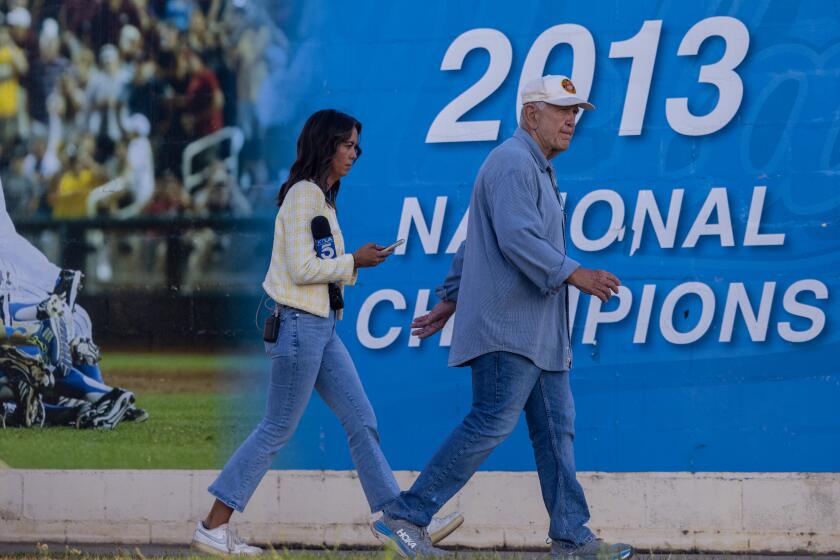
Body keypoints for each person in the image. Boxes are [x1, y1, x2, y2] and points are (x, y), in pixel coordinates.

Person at [372, 76, 634, 560]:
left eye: (576, 111)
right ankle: (406, 516)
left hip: (540, 336)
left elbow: (476, 240)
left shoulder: (534, 169)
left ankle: (572, 538)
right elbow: (516, 239)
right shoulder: (513, 161)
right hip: (508, 329)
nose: (573, 119)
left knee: (557, 432)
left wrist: (450, 297)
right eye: (562, 110)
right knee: (491, 421)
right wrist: (575, 273)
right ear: (531, 115)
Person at [191, 109, 463, 556]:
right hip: (300, 324)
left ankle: (397, 520)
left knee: (362, 420)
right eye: (348, 144)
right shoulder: (303, 195)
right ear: (326, 144)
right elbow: (302, 269)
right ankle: (214, 525)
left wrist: (354, 264)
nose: (355, 154)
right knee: (277, 428)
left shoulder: (321, 198)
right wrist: (354, 261)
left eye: (357, 146)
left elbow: (318, 267)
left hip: (320, 326)